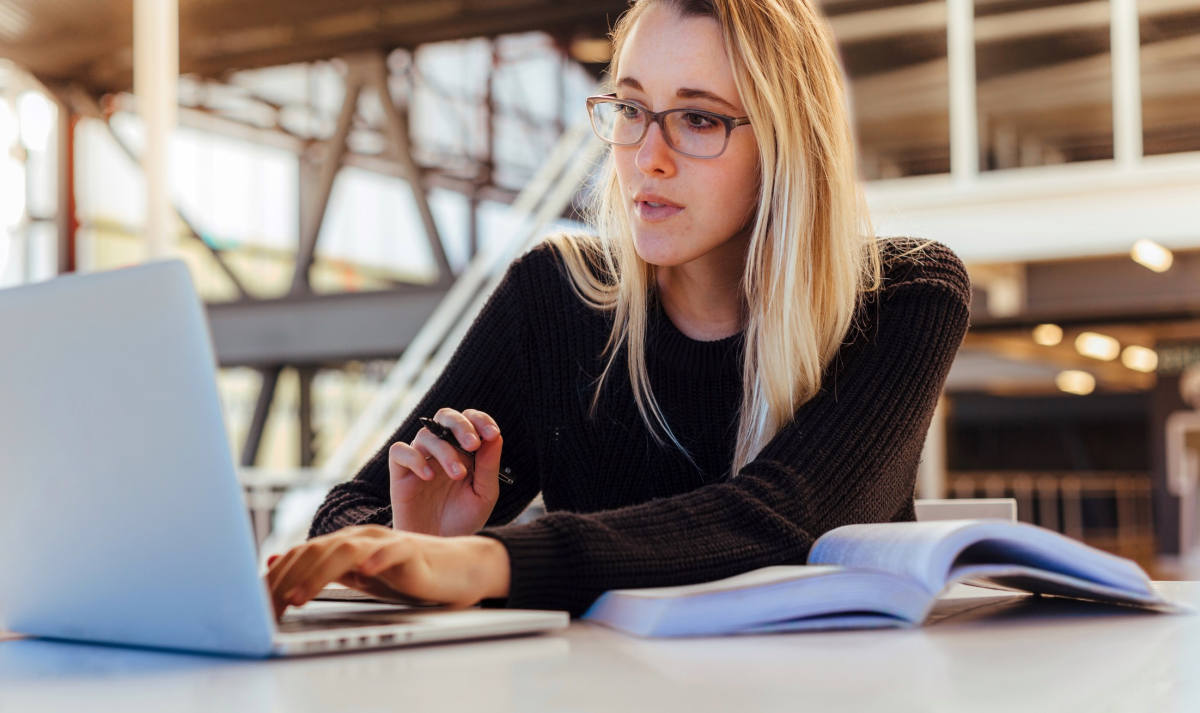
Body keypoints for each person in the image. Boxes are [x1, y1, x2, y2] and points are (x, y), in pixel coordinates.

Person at [266, 0, 971, 619]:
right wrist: (420, 542)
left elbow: (788, 516)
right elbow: (347, 516)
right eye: (632, 109)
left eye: (696, 119)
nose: (647, 157)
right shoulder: (558, 299)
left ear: (788, 144)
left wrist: (489, 562)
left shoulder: (903, 297)